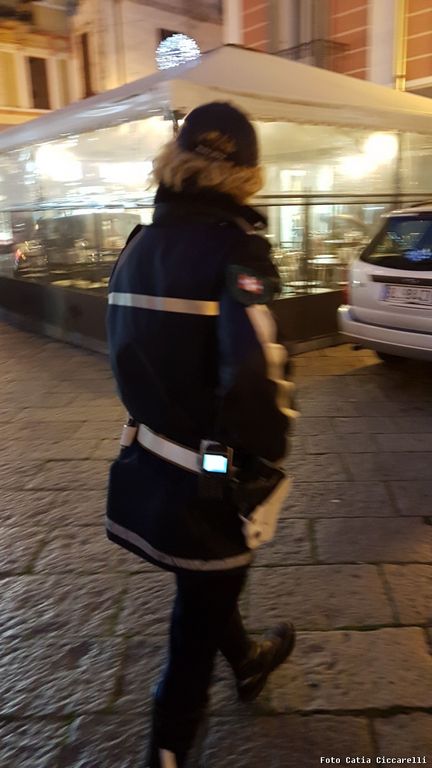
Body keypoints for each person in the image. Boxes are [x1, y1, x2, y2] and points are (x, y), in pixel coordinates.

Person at [106, 102, 297, 768]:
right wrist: (268, 447)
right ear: (246, 175)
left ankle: (246, 659)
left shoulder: (138, 246)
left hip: (149, 458)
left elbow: (122, 350)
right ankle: (167, 747)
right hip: (211, 472)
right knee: (200, 609)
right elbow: (257, 367)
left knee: (207, 581)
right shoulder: (237, 249)